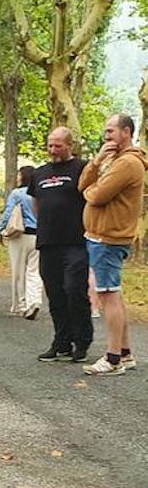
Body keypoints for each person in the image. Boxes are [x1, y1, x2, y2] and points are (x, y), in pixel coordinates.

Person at [78, 113, 148, 375]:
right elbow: (83, 183)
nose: (106, 137)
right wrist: (96, 161)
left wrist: (89, 192)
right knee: (113, 294)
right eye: (105, 132)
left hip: (109, 238)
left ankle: (113, 358)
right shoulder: (111, 159)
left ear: (126, 132)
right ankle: (126, 354)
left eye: (110, 131)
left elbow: (96, 195)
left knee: (108, 296)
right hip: (98, 236)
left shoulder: (128, 163)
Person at [30, 127, 92, 364]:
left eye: (58, 145)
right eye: (50, 145)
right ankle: (61, 341)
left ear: (70, 146)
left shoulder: (82, 168)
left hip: (76, 241)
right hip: (48, 242)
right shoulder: (39, 173)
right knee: (54, 293)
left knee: (74, 289)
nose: (53, 150)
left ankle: (82, 340)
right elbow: (36, 203)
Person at [0, 165, 43, 319]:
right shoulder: (41, 193)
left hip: (19, 235)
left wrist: (1, 230)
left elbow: (9, 212)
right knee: (34, 272)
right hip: (38, 236)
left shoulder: (17, 193)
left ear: (22, 177)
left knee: (18, 272)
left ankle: (20, 305)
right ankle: (35, 301)